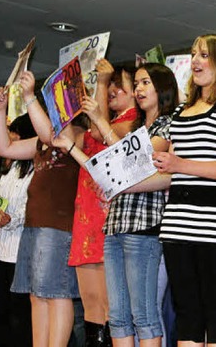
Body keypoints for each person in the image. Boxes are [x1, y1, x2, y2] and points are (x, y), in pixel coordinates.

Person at [130, 34, 216, 346]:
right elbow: (170, 168)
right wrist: (126, 184)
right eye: (194, 54)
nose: (196, 61)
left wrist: (181, 164)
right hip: (177, 221)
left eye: (204, 55)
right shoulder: (182, 111)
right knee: (186, 310)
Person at [55, 63, 178, 347]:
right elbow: (105, 170)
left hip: (144, 227)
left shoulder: (169, 124)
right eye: (137, 84)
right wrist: (72, 147)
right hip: (114, 225)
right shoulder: (136, 127)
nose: (139, 89)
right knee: (119, 316)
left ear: (163, 88)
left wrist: (100, 121)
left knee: (144, 314)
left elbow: (135, 164)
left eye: (146, 83)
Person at [0, 71, 85, 347]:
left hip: (58, 228)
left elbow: (53, 133)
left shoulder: (77, 134)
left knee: (56, 293)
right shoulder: (41, 142)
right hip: (34, 225)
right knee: (36, 294)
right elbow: (4, 147)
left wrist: (29, 96)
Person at [69, 59, 138, 346]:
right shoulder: (106, 121)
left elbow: (100, 131)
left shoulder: (132, 121)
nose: (111, 91)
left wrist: (98, 82)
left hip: (109, 219)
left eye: (117, 86)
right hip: (86, 214)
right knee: (91, 305)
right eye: (108, 86)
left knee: (113, 307)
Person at [0, 114, 35, 347]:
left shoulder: (38, 168)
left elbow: (32, 206)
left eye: (15, 134)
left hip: (19, 252)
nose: (11, 139)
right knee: (3, 310)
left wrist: (11, 218)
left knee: (20, 313)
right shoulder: (12, 167)